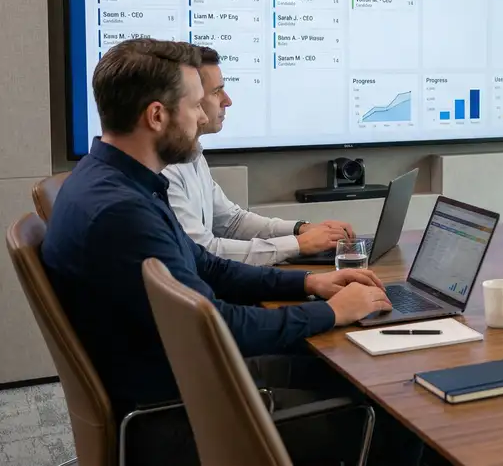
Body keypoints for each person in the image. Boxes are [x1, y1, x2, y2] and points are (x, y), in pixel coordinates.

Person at [40, 39, 420, 465]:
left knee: (354, 372)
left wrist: (310, 282)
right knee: (402, 415)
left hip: (181, 381)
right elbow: (217, 327)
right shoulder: (121, 213)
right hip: (183, 417)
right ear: (157, 115)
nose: (204, 115)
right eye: (195, 106)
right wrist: (331, 312)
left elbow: (204, 264)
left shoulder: (111, 180)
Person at [163, 45, 354, 266]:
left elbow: (231, 222)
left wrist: (301, 229)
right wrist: (298, 244)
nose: (227, 100)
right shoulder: (165, 170)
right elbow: (204, 251)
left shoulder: (194, 154)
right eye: (216, 92)